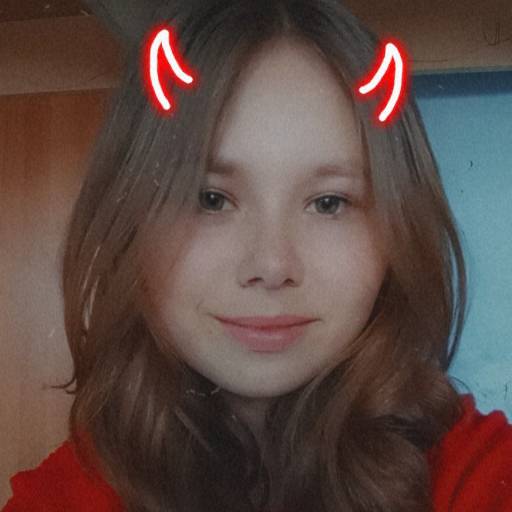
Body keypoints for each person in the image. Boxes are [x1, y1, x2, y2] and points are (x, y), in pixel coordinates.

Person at [3, 1, 512, 511]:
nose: (271, 266)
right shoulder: (57, 501)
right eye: (211, 199)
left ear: (397, 231)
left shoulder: (479, 475)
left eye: (329, 203)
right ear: (129, 219)